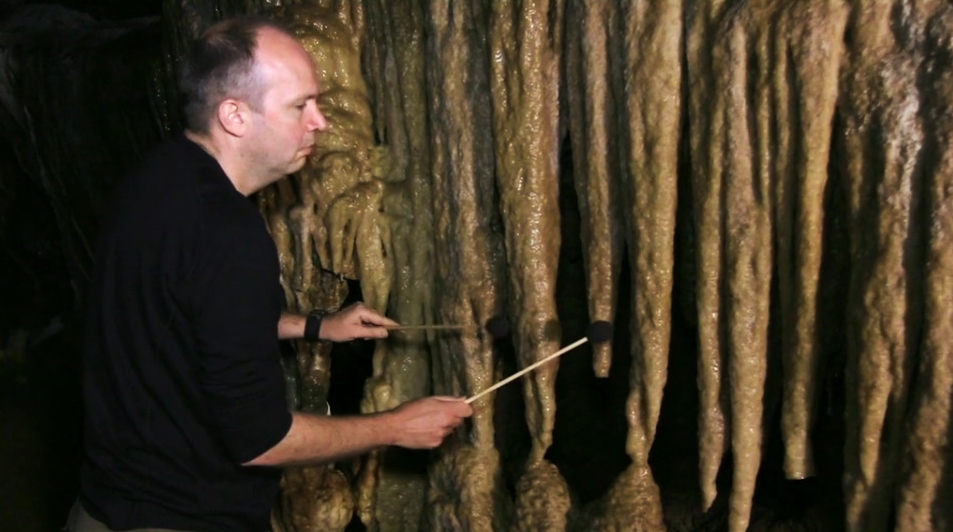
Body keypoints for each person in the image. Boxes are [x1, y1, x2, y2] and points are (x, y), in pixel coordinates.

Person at [70, 16, 472, 532]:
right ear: (235, 115)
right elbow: (261, 440)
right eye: (299, 105)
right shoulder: (229, 235)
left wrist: (317, 326)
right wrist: (397, 426)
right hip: (182, 515)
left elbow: (190, 316)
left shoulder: (156, 179)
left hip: (105, 502)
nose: (320, 122)